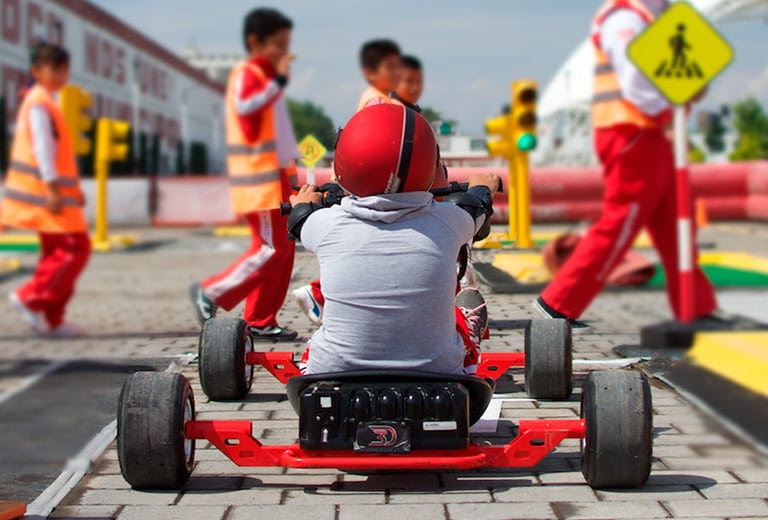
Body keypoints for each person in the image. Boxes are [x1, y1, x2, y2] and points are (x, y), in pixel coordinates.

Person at [533, 0, 718, 333]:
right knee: (622, 222)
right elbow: (635, 85)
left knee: (677, 221)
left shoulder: (658, 15)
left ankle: (696, 306)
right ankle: (558, 303)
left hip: (652, 133)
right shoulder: (625, 15)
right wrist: (671, 109)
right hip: (631, 132)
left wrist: (686, 95)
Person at [288, 103, 500, 375]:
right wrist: (483, 187)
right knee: (458, 316)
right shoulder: (450, 221)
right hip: (440, 379)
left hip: (331, 378)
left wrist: (305, 202)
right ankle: (467, 325)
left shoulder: (324, 225)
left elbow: (299, 217)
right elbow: (477, 207)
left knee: (320, 346)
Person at [189, 7, 300, 341]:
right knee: (269, 249)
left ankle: (261, 319)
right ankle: (211, 292)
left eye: (285, 44)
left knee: (284, 249)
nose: (283, 52)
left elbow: (280, 131)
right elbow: (244, 107)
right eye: (277, 44)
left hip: (277, 176)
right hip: (259, 179)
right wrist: (277, 82)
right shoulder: (248, 72)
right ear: (255, 42)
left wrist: (293, 173)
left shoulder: (267, 79)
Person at [2, 42, 90, 338]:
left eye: (64, 69)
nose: (61, 74)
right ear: (37, 71)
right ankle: (32, 297)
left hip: (57, 195)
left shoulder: (47, 102)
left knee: (58, 253)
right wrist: (53, 189)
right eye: (54, 68)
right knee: (73, 250)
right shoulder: (39, 103)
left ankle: (52, 319)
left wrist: (73, 191)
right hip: (46, 195)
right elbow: (42, 150)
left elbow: (58, 153)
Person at [355, 38, 403, 111]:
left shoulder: (381, 98)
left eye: (398, 67)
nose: (397, 72)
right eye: (390, 67)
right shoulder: (377, 102)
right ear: (370, 73)